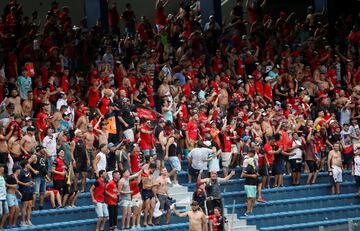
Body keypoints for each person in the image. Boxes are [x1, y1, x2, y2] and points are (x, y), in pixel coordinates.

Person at [28, 145, 50, 210]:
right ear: (39, 149)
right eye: (43, 149)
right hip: (37, 177)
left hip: (43, 176)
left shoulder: (43, 157)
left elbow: (42, 168)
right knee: (36, 192)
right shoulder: (34, 156)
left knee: (43, 192)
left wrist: (47, 177)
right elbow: (27, 163)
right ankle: (33, 206)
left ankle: (41, 206)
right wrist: (33, 170)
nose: (44, 150)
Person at [17, 160, 35, 227]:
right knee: (25, 206)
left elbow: (29, 180)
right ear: (25, 165)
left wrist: (32, 182)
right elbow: (17, 180)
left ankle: (28, 220)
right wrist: (25, 184)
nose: (29, 165)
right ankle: (23, 222)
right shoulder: (21, 172)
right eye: (28, 164)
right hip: (24, 191)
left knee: (30, 205)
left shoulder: (29, 172)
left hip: (30, 190)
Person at [241, 148, 258, 216]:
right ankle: (247, 212)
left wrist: (256, 175)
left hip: (253, 184)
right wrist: (252, 176)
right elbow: (243, 174)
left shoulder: (254, 167)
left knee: (253, 198)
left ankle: (250, 211)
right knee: (250, 198)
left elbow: (255, 174)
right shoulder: (248, 166)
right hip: (249, 184)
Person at [141, 162, 157, 227]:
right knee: (147, 207)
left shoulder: (152, 175)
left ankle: (150, 221)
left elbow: (153, 187)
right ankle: (145, 222)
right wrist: (153, 185)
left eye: (154, 170)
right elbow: (144, 186)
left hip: (151, 192)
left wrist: (156, 197)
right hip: (145, 192)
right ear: (150, 168)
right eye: (153, 170)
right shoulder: (144, 175)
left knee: (152, 207)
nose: (153, 171)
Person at [0, 164, 8, 229]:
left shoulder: (3, 176)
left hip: (4, 197)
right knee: (0, 213)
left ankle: (1, 226)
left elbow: (5, 185)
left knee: (7, 212)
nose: (3, 169)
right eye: (2, 168)